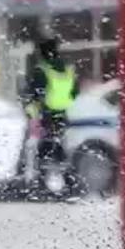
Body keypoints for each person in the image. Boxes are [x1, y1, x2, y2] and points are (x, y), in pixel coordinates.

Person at [21, 36, 79, 193]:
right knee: (59, 144)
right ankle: (68, 180)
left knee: (42, 146)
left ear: (43, 53)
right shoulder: (67, 69)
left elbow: (36, 92)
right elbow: (75, 92)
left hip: (46, 113)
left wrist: (31, 103)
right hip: (62, 113)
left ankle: (40, 182)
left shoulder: (42, 70)